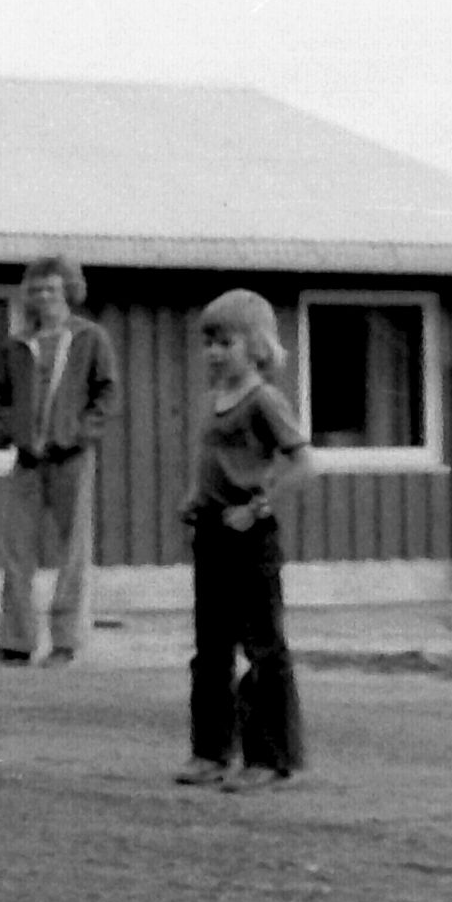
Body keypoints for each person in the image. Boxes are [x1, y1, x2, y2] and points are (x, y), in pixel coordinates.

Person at [178, 289, 309, 792]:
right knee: (210, 649)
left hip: (251, 538)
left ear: (256, 347)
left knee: (262, 647)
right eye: (208, 343)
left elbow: (302, 463)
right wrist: (194, 499)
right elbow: (212, 465)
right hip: (211, 533)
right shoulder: (212, 402)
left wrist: (257, 508)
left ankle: (271, 758)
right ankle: (211, 751)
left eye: (225, 343)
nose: (213, 353)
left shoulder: (265, 400)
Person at [0, 255, 119, 667]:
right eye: (37, 289)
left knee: (73, 553)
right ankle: (15, 643)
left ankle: (65, 643)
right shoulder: (17, 343)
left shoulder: (90, 338)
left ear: (69, 292)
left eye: (52, 289)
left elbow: (106, 393)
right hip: (28, 461)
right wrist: (12, 431)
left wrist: (78, 435)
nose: (44, 296)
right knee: (16, 551)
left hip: (71, 459)